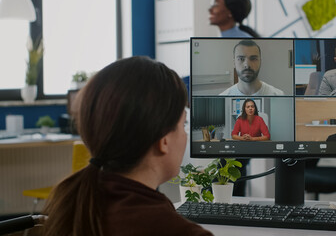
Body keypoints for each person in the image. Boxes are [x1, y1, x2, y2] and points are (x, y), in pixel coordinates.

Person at [41, 56, 213, 236]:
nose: (185, 134)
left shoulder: (72, 205)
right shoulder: (178, 231)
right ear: (164, 141)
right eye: (183, 125)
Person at [220, 40, 284, 96]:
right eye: (241, 59)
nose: (247, 65)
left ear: (260, 61)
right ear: (234, 62)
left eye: (253, 59)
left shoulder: (278, 95)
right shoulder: (223, 97)